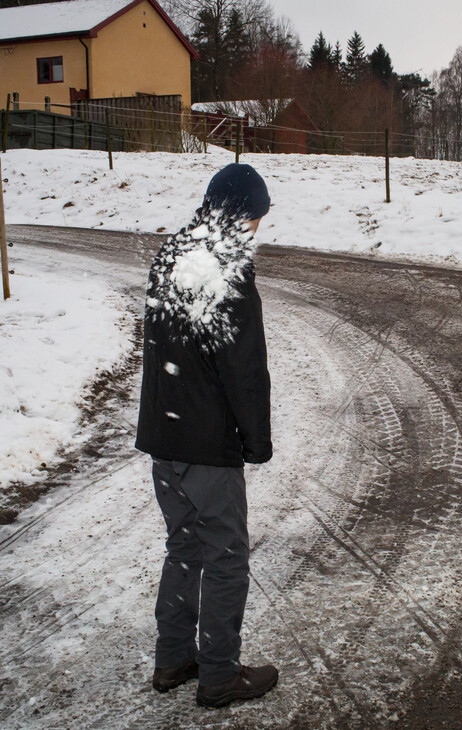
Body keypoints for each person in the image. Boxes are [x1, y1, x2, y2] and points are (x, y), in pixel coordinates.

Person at [135, 163, 278, 709]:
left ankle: (173, 657)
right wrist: (256, 439)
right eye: (257, 218)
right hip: (205, 446)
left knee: (185, 546)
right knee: (225, 555)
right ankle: (218, 673)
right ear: (243, 214)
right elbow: (242, 366)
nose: (257, 230)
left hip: (164, 439)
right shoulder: (228, 267)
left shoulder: (171, 253)